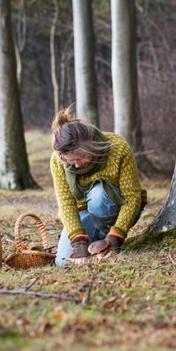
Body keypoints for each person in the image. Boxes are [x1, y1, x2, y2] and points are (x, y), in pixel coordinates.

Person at [50, 106, 147, 266]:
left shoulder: (117, 147)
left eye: (80, 158)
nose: (75, 166)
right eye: (70, 161)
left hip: (117, 208)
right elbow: (66, 203)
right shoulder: (58, 159)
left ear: (92, 147)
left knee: (98, 194)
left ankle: (106, 239)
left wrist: (116, 234)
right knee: (63, 263)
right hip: (84, 213)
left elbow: (132, 197)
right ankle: (93, 244)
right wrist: (78, 240)